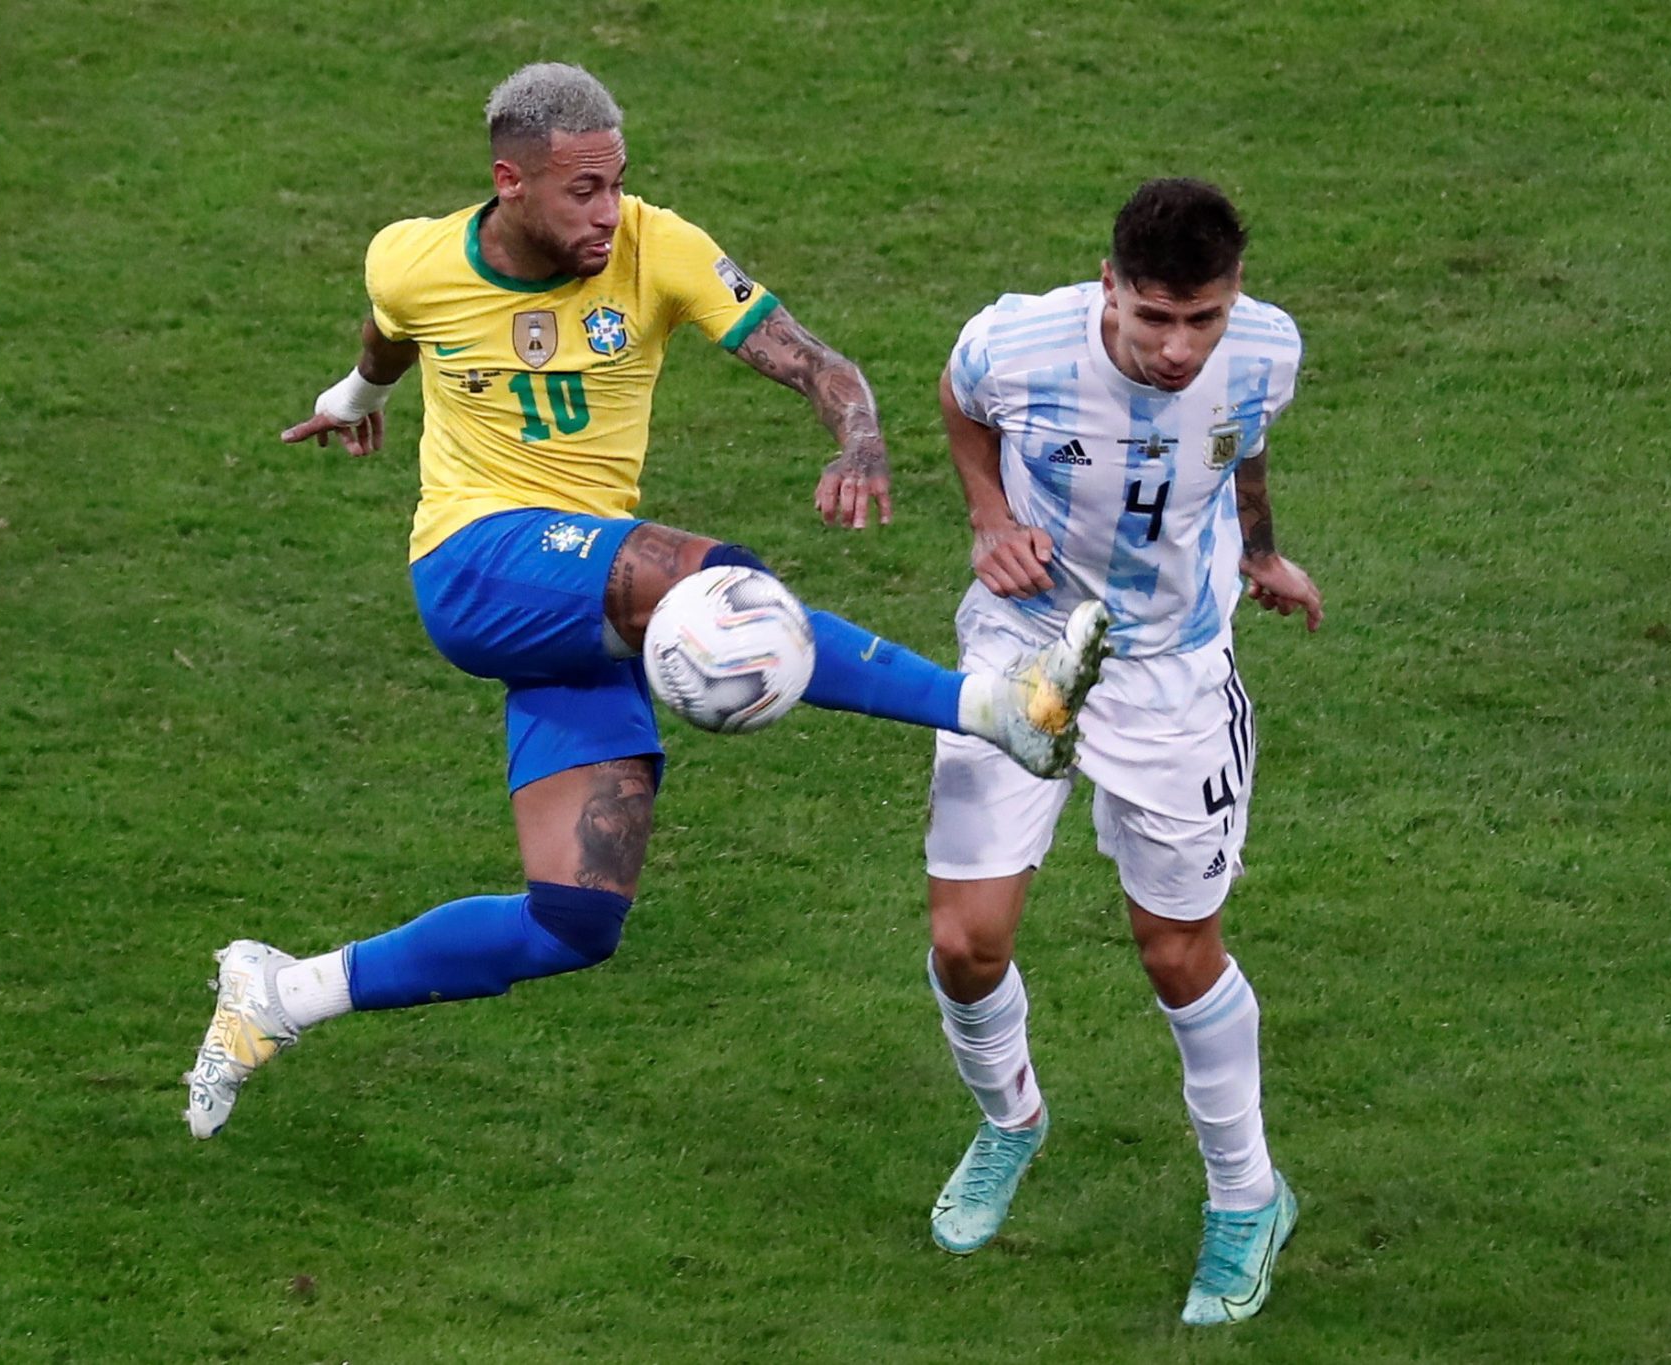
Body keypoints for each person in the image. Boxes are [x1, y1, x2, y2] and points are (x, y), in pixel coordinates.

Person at [184, 63, 1111, 1141]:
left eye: (617, 183)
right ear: (511, 182)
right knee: (719, 586)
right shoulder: (414, 255)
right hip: (473, 564)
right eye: (583, 190)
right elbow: (392, 325)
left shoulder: (656, 248)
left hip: (581, 604)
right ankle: (997, 708)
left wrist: (858, 435)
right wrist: (353, 396)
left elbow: (816, 363)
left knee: (573, 918)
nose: (608, 210)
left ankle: (281, 994)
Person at [917, 179, 1323, 1326]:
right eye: (1153, 317)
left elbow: (1241, 446)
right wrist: (989, 520)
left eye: (1202, 318)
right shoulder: (1014, 346)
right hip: (1025, 645)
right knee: (963, 943)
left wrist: (1259, 552)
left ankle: (1246, 1198)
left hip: (1170, 676)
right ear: (1108, 286)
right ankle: (1009, 1120)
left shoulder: (1265, 351)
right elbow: (957, 404)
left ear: (1232, 298)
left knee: (1175, 952)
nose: (1178, 347)